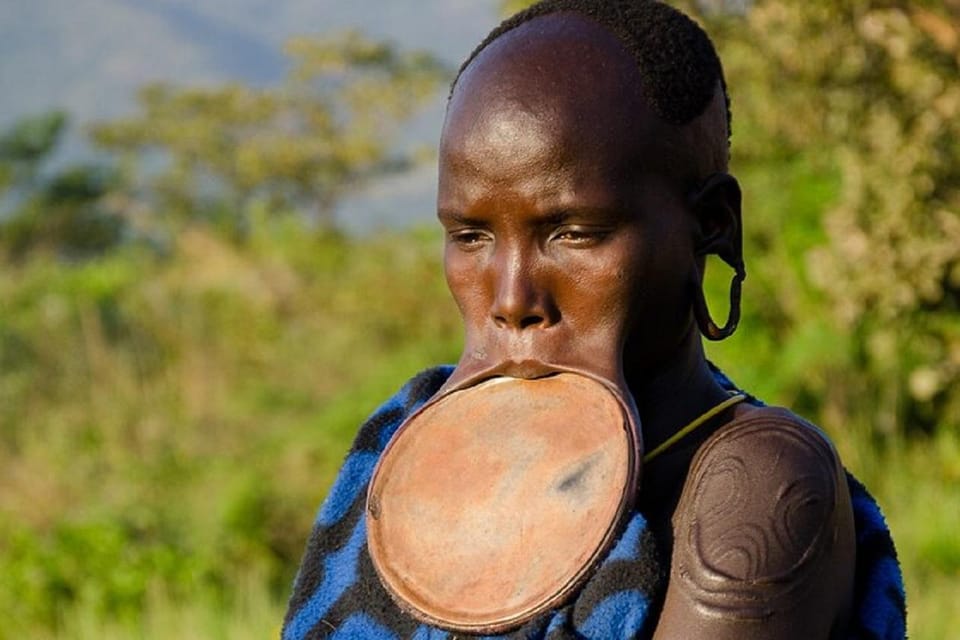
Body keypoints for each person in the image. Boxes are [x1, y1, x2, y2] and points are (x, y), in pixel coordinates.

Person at [282, 1, 906, 638]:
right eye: (470, 236)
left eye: (574, 234)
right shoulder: (402, 444)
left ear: (712, 223)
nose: (511, 297)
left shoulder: (753, 481)